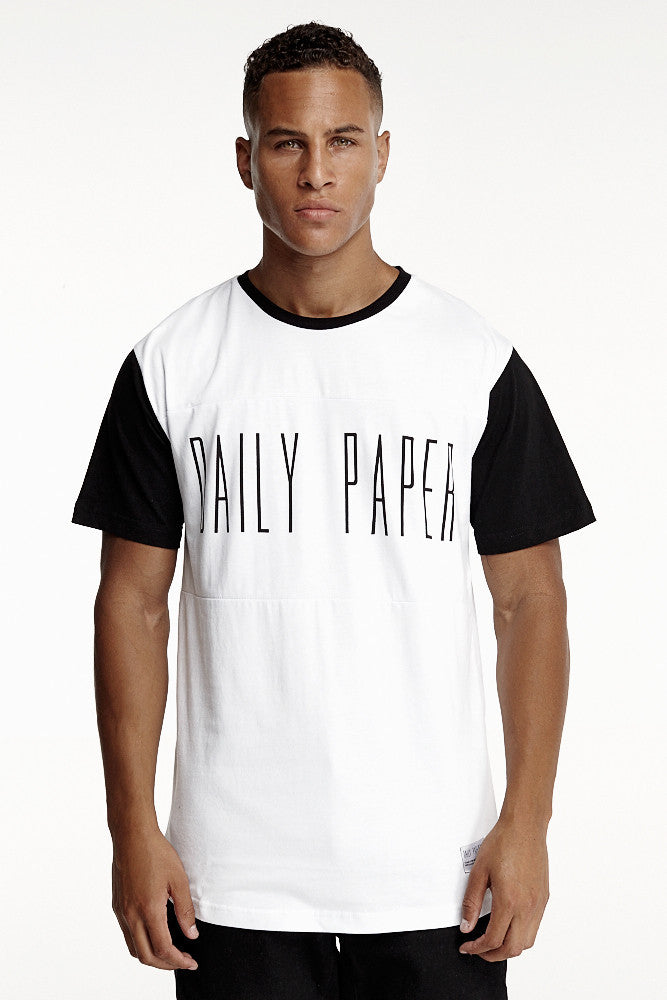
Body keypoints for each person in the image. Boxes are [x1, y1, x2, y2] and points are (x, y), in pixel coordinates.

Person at [71, 20, 596, 1000]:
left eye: (342, 140)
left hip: (439, 881)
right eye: (287, 143)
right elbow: (131, 605)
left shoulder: (471, 360)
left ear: (381, 154)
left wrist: (527, 823)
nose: (316, 172)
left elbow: (530, 600)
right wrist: (131, 829)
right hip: (230, 885)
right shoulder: (172, 363)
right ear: (245, 160)